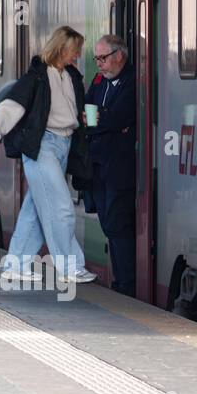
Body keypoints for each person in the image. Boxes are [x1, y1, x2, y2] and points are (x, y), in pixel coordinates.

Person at [0, 25, 94, 285]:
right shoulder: (36, 77)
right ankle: (70, 266)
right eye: (74, 50)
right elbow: (12, 105)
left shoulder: (72, 76)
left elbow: (78, 108)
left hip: (64, 145)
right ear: (62, 48)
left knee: (35, 209)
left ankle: (15, 265)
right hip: (41, 146)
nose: (77, 55)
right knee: (61, 206)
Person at [85, 34, 137, 297]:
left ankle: (125, 285)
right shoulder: (98, 82)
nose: (99, 64)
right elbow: (88, 111)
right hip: (98, 165)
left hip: (120, 167)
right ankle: (120, 281)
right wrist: (104, 120)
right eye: (97, 59)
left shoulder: (132, 81)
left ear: (119, 55)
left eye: (103, 58)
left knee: (118, 223)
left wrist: (103, 120)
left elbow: (122, 115)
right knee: (107, 223)